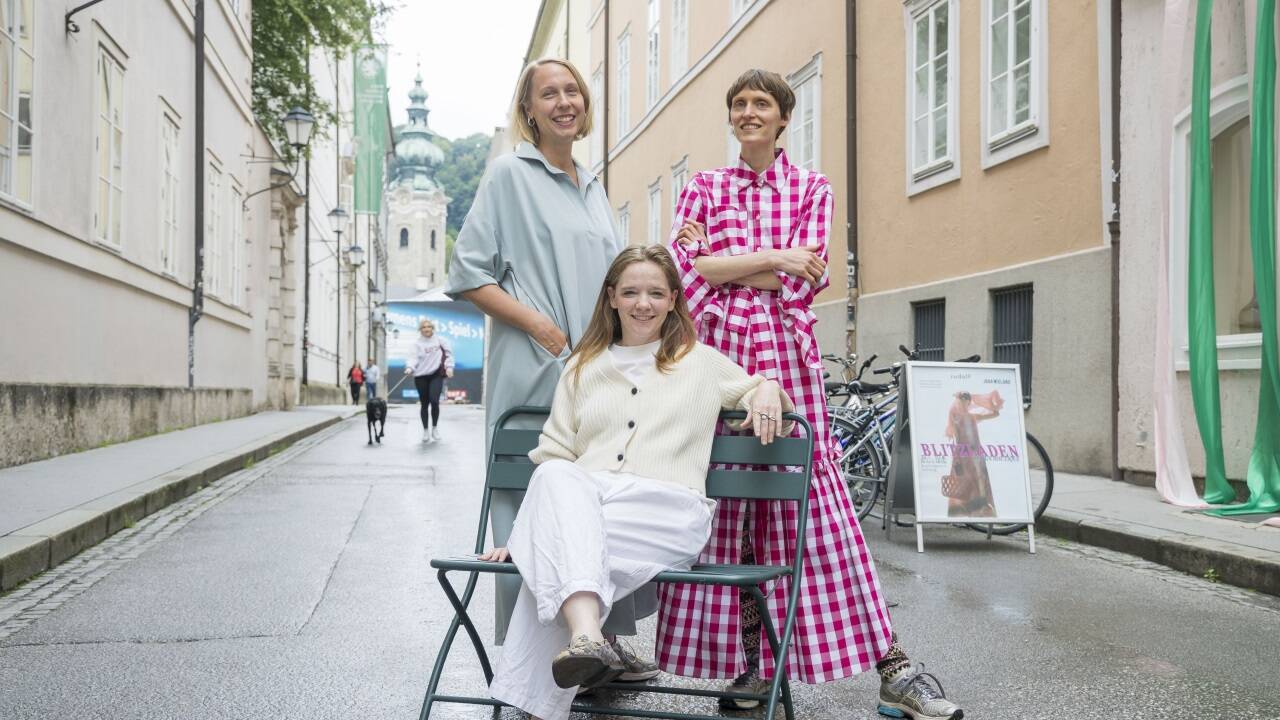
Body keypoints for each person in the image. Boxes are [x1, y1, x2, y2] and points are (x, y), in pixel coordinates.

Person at [662, 69, 962, 720]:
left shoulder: (812, 187)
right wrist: (765, 259)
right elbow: (686, 278)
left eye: (760, 104)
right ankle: (751, 667)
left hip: (789, 371)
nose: (747, 112)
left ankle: (893, 665)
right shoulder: (705, 186)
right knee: (730, 511)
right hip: (717, 368)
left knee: (817, 509)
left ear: (782, 118)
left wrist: (726, 263)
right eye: (738, 104)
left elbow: (803, 280)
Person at [479, 246, 793, 720]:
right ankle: (586, 636)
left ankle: (539, 696)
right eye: (630, 292)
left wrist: (768, 386)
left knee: (554, 552)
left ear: (672, 301)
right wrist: (529, 525)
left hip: (665, 512)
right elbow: (556, 454)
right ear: (611, 298)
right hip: (590, 511)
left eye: (654, 293)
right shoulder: (582, 366)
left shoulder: (702, 362)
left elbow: (765, 400)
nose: (642, 303)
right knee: (554, 475)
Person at [444, 57, 657, 674]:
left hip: (598, 374)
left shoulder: (593, 186)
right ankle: (528, 661)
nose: (563, 101)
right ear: (529, 110)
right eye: (549, 94)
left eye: (573, 91)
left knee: (601, 502)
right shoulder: (510, 174)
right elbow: (467, 275)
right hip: (536, 369)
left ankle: (599, 644)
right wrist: (540, 327)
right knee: (528, 505)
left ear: (584, 105)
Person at [943, 390, 1003, 518]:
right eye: (962, 401)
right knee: (966, 479)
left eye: (967, 402)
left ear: (969, 403)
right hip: (963, 453)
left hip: (975, 451)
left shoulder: (973, 416)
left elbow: (996, 414)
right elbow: (957, 437)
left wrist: (984, 401)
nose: (964, 404)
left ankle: (981, 505)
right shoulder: (956, 417)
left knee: (980, 477)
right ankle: (968, 507)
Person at [404, 319, 453, 443]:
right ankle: (425, 430)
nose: (426, 329)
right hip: (421, 376)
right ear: (420, 330)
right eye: (424, 327)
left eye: (429, 327)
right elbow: (412, 358)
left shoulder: (440, 341)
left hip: (436, 374)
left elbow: (449, 355)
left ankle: (435, 428)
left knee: (434, 401)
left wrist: (449, 367)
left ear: (433, 328)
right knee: (424, 403)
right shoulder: (416, 344)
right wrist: (410, 368)